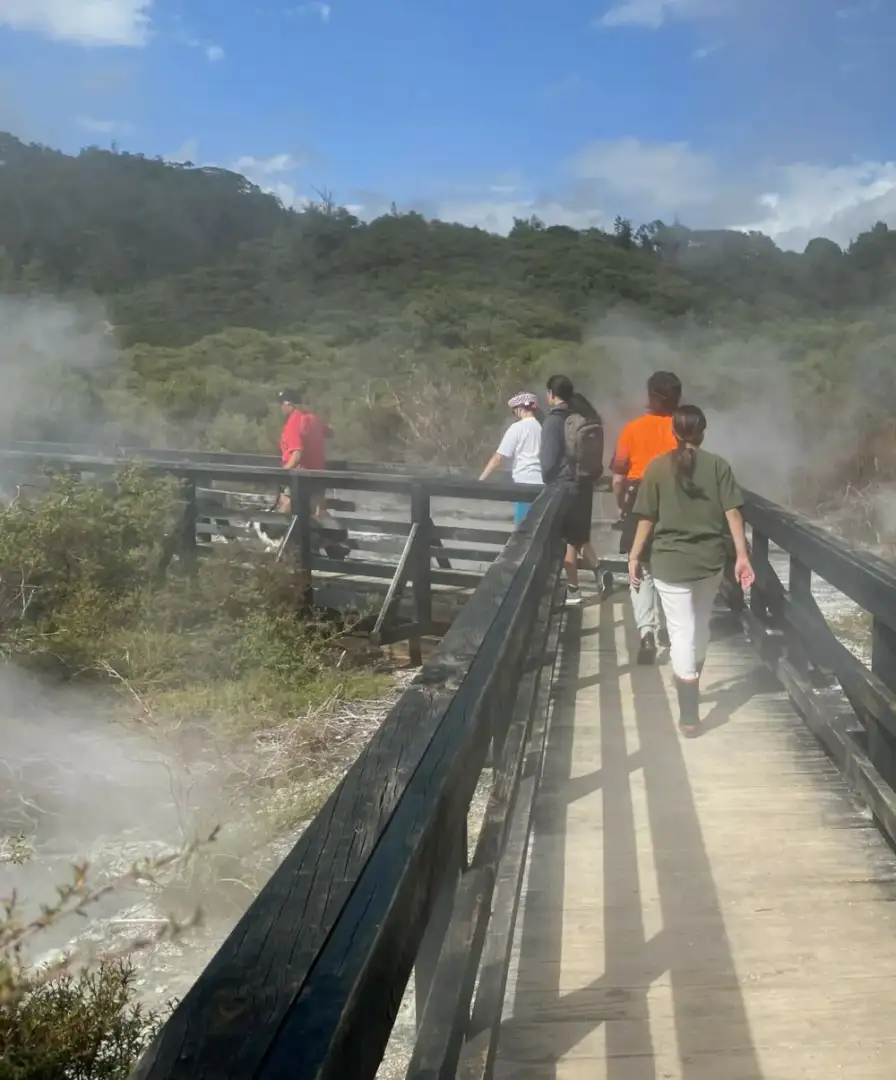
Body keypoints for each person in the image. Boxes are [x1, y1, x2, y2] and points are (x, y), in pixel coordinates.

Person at [628, 405, 755, 738]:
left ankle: (689, 713)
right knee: (700, 625)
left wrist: (634, 555)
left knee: (681, 630)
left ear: (673, 432)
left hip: (669, 562)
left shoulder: (656, 468)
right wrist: (742, 556)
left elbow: (646, 517)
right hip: (710, 561)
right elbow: (734, 515)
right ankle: (690, 676)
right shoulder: (718, 466)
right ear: (703, 432)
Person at [611, 371, 682, 664]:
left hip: (639, 499)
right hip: (675, 500)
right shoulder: (682, 428)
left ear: (651, 395)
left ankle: (646, 633)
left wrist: (622, 507)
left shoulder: (632, 429)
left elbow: (617, 475)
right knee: (671, 567)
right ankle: (671, 629)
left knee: (640, 567)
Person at [539, 374, 605, 606]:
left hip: (562, 487)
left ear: (551, 394)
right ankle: (592, 577)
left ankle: (575, 590)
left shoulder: (554, 421)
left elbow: (547, 461)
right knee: (577, 536)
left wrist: (549, 480)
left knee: (565, 538)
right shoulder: (581, 416)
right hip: (584, 484)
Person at [479, 391, 544, 525]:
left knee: (521, 528)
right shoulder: (542, 428)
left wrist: (481, 479)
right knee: (536, 526)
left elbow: (499, 458)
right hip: (542, 485)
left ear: (520, 409)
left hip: (523, 484)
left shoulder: (517, 428)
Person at [276, 389, 329, 517]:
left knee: (287, 502)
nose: (280, 407)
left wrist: (282, 473)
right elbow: (330, 432)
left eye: (281, 403)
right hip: (318, 473)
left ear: (289, 404)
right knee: (317, 509)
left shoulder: (293, 422)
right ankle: (330, 534)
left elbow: (297, 453)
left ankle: (276, 531)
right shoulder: (312, 418)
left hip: (300, 473)